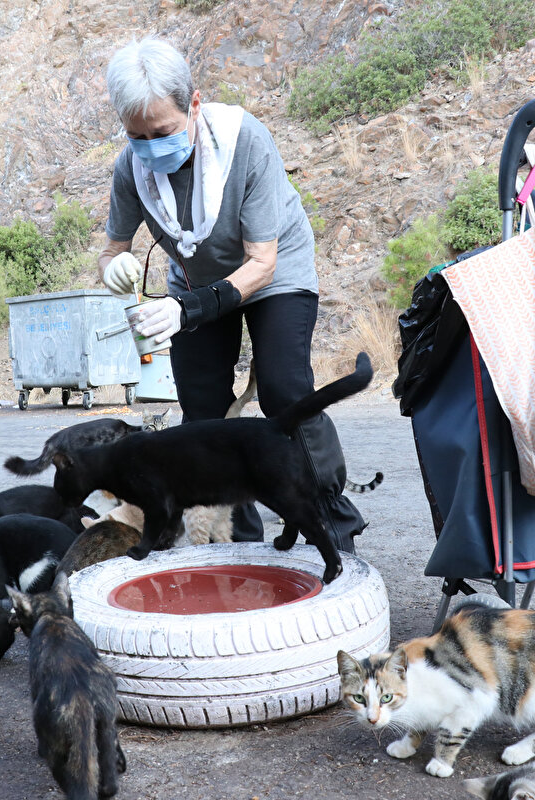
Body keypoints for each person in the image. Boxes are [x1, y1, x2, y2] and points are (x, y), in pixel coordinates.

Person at [97, 36, 366, 551]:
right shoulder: (129, 168)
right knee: (202, 414)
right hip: (194, 282)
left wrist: (185, 310)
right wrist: (114, 267)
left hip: (272, 270)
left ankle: (334, 520)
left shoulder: (246, 142)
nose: (152, 146)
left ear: (194, 104)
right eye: (138, 136)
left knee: (286, 393)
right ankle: (242, 537)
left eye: (164, 132)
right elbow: (113, 247)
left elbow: (261, 263)